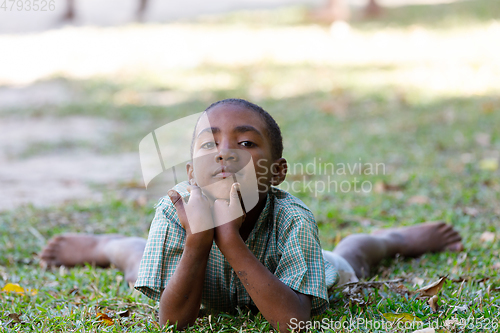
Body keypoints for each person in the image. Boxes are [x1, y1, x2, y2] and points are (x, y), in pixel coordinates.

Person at [40, 98, 463, 332]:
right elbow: (172, 323)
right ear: (191, 172)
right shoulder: (174, 212)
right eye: (210, 145)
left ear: (276, 172)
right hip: (191, 277)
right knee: (138, 266)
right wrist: (197, 241)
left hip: (295, 282)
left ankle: (394, 239)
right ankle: (108, 245)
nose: (225, 152)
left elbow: (295, 323)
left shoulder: (293, 218)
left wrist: (229, 239)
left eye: (246, 144)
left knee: (350, 259)